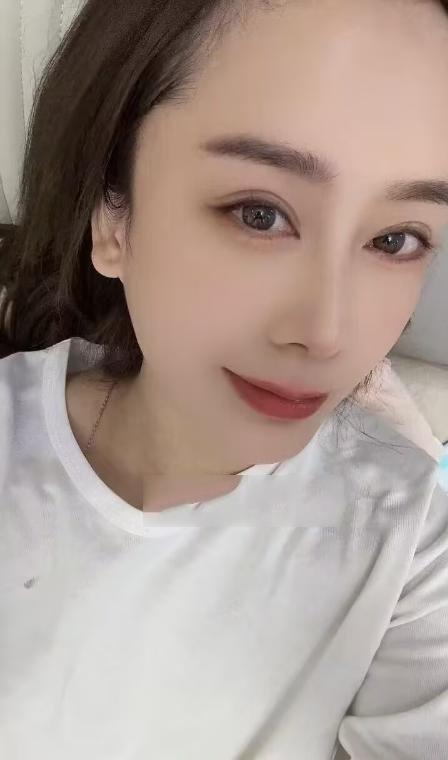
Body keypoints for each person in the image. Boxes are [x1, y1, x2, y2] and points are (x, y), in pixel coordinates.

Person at [0, 0, 447, 757]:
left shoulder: (415, 548)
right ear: (113, 216)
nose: (327, 333)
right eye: (258, 214)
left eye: (395, 239)